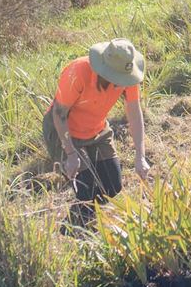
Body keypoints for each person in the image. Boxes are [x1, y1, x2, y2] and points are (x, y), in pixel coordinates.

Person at [43, 38, 150, 226]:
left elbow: (134, 112)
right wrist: (70, 153)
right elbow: (59, 114)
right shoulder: (78, 72)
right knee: (87, 188)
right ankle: (72, 231)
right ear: (104, 72)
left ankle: (86, 220)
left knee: (112, 186)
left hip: (96, 129)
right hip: (64, 130)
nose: (122, 85)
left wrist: (140, 155)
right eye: (117, 80)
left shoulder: (128, 73)